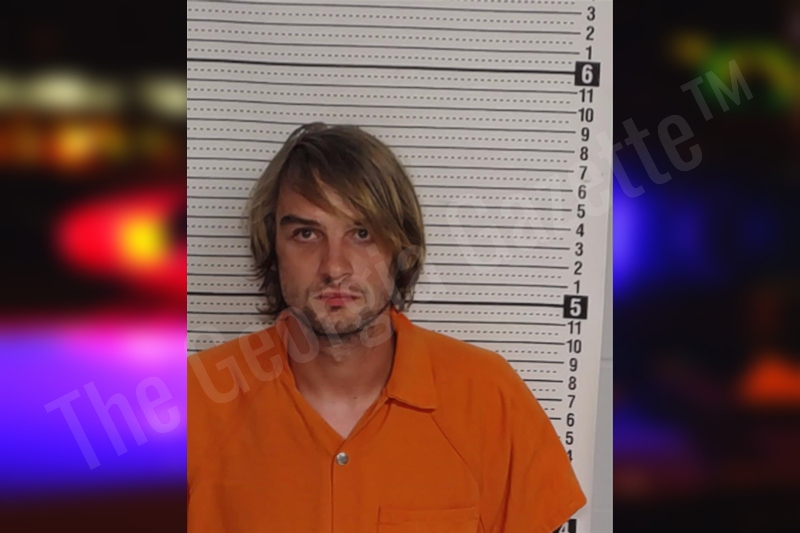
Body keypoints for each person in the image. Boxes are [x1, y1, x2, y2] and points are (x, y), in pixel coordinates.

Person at [187, 122, 586, 533]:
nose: (334, 266)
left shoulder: (489, 397)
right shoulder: (193, 403)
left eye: (362, 233)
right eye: (306, 233)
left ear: (401, 247)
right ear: (273, 247)